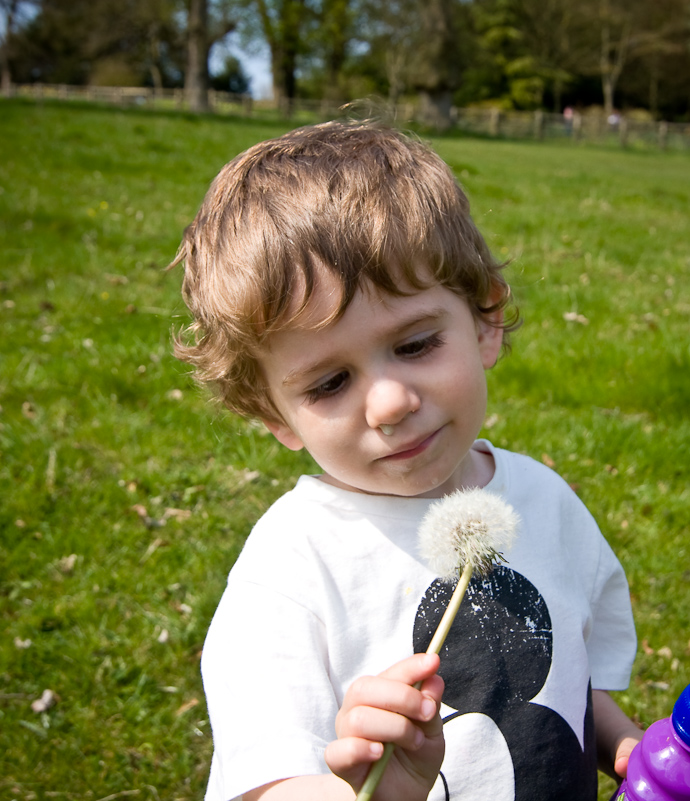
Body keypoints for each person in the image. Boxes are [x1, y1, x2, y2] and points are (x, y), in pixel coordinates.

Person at [170, 119, 643, 801]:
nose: (389, 402)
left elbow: (564, 684)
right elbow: (263, 780)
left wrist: (628, 749)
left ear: (483, 317)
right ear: (275, 415)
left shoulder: (542, 500)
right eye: (330, 383)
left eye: (416, 343)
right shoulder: (290, 568)